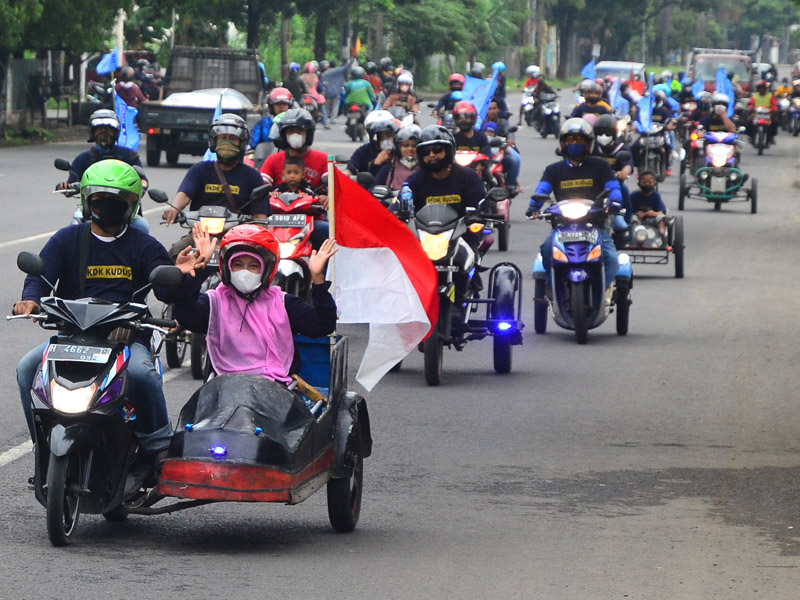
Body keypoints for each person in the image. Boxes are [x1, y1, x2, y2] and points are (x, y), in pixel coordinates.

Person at [14, 160, 208, 468]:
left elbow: (165, 291)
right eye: (99, 199)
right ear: (87, 201)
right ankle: (43, 443)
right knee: (27, 368)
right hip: (74, 335)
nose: (106, 205)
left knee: (142, 375)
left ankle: (158, 445)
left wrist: (181, 272)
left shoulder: (144, 245)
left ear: (131, 204)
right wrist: (30, 300)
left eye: (116, 200)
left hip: (128, 337)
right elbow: (40, 274)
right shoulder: (67, 239)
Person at [173, 224, 338, 386]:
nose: (244, 271)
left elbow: (322, 325)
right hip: (225, 388)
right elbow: (186, 316)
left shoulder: (283, 303)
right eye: (238, 265)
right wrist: (199, 269)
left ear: (265, 270)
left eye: (253, 266)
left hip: (273, 390)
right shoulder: (214, 302)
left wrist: (318, 279)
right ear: (227, 268)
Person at [526, 118, 621, 288]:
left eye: (580, 140)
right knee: (547, 250)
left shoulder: (601, 166)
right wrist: (534, 206)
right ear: (563, 143)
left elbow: (613, 187)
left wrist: (616, 201)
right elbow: (542, 190)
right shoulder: (553, 170)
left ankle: (600, 291)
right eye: (570, 139)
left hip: (595, 225)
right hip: (563, 226)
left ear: (588, 144)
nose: (575, 143)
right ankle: (554, 288)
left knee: (612, 260)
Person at [163, 114, 270, 255]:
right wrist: (174, 208)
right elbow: (185, 193)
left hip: (240, 237)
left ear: (242, 143)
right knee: (176, 251)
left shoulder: (252, 176)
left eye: (232, 139)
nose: (227, 143)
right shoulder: (200, 170)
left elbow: (260, 217)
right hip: (201, 235)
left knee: (259, 256)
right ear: (214, 141)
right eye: (223, 138)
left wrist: (258, 228)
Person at [56, 109, 150, 234]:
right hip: (92, 209)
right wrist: (65, 187)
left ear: (115, 131)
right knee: (71, 231)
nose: (103, 132)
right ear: (92, 132)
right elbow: (72, 181)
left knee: (141, 226)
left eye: (108, 129)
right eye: (99, 129)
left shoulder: (129, 156)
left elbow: (142, 179)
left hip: (123, 207)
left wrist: (142, 186)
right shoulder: (83, 158)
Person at [404, 125, 486, 217]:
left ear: (449, 151)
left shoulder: (469, 177)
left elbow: (482, 208)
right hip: (422, 226)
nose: (431, 155)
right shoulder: (414, 181)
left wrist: (477, 218)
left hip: (462, 226)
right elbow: (398, 209)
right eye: (426, 152)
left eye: (437, 149)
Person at [261, 108, 329, 190]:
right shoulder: (273, 160)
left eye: (300, 130)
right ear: (284, 135)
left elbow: (334, 187)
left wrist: (327, 194)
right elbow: (261, 187)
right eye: (291, 131)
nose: (295, 134)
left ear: (308, 134)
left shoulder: (323, 159)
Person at [592, 114, 634, 237]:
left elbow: (628, 165)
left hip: (614, 186)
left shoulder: (621, 148)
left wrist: (624, 172)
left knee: (625, 191)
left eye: (607, 133)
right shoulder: (591, 147)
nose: (604, 136)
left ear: (614, 134)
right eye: (600, 132)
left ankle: (627, 224)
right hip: (592, 186)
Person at [249, 87, 294, 168]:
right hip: (265, 164)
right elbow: (251, 142)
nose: (281, 107)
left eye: (284, 104)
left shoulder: (295, 123)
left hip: (291, 164)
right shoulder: (263, 123)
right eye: (278, 104)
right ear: (271, 106)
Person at [344, 110, 399, 176]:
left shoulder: (400, 151)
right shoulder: (364, 151)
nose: (390, 139)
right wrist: (376, 162)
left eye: (391, 134)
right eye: (385, 134)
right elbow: (349, 170)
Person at [483, 99, 522, 190]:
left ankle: (510, 185)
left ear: (498, 110)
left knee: (514, 160)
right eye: (489, 109)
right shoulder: (481, 123)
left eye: (494, 108)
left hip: (501, 151)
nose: (492, 111)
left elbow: (509, 132)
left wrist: (510, 140)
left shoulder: (503, 122)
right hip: (484, 153)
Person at [374, 124, 421, 190]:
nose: (410, 149)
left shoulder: (426, 168)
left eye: (414, 145)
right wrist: (375, 164)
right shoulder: (389, 168)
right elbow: (374, 189)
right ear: (398, 147)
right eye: (405, 145)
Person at [629, 170, 667, 237]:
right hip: (639, 220)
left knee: (661, 217)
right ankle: (634, 234)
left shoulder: (656, 195)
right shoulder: (633, 195)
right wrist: (636, 214)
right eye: (644, 182)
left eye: (650, 182)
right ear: (639, 184)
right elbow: (628, 211)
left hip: (652, 220)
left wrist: (653, 213)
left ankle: (662, 234)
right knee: (633, 218)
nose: (647, 184)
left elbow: (661, 212)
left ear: (654, 184)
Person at [320, 58, 356, 123]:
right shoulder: (339, 70)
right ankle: (333, 119)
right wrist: (353, 59)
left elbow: (322, 83)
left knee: (326, 106)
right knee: (335, 105)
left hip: (328, 92)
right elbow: (347, 67)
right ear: (335, 65)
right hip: (337, 92)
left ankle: (325, 119)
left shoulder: (325, 73)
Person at [299, 61, 330, 129]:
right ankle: (325, 123)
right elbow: (320, 88)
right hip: (314, 96)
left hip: (303, 96)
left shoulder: (301, 77)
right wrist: (321, 92)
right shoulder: (315, 77)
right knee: (322, 107)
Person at [747, 79, 778, 145]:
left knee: (775, 121)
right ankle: (751, 137)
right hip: (756, 114)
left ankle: (771, 137)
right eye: (760, 88)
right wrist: (750, 108)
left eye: (763, 88)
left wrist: (775, 109)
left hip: (768, 114)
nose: (761, 89)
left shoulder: (770, 95)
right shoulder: (754, 96)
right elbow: (750, 104)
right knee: (748, 121)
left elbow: (774, 104)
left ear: (765, 88)